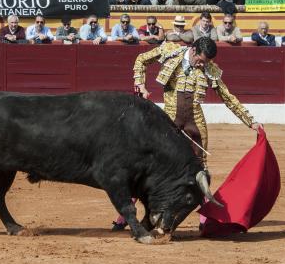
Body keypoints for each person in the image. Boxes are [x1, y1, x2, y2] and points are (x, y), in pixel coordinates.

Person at [111, 37, 261, 229]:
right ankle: (125, 214)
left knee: (201, 170)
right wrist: (140, 85)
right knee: (148, 165)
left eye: (205, 62)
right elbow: (141, 60)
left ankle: (205, 218)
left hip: (195, 124)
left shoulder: (210, 69)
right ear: (193, 49)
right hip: (168, 121)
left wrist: (251, 122)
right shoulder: (171, 52)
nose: (201, 64)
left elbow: (228, 97)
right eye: (200, 60)